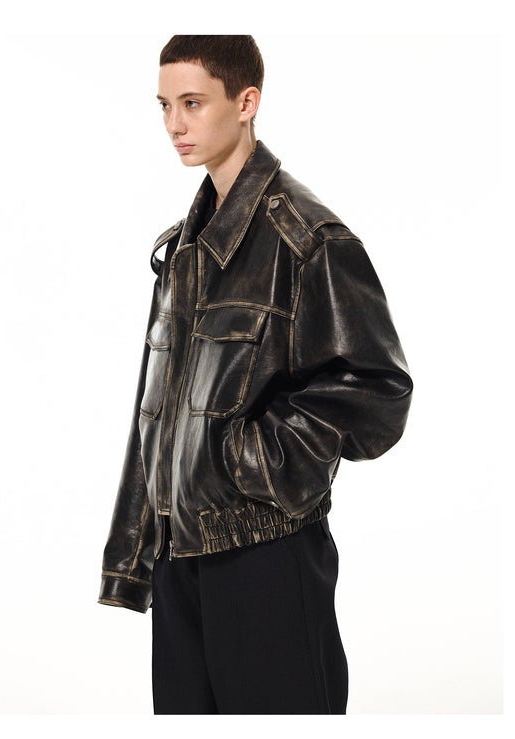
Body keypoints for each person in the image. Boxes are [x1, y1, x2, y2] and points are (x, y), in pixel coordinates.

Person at [98, 35, 413, 715]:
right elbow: (155, 411)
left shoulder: (308, 238)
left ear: (246, 103)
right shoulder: (183, 249)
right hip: (179, 557)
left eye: (192, 103)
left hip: (265, 553)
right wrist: (134, 552)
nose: (174, 124)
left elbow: (378, 391)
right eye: (164, 106)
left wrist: (247, 458)